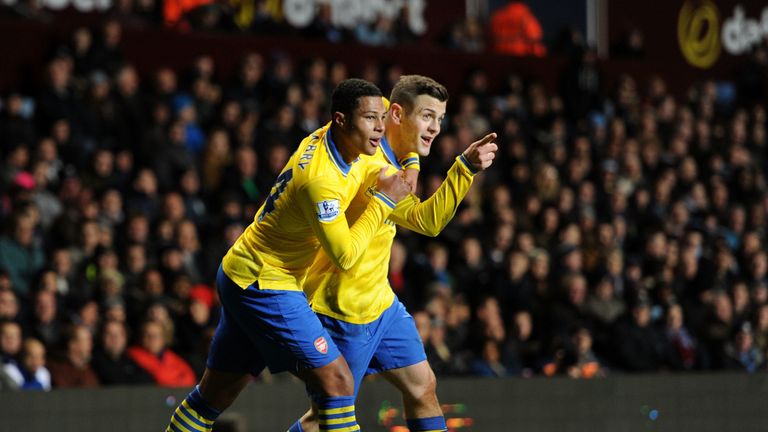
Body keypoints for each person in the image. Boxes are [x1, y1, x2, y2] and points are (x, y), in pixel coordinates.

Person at [165, 78, 411, 432]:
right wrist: (383, 202)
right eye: (371, 119)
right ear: (341, 120)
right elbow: (344, 256)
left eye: (383, 117)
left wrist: (415, 148)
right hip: (266, 284)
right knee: (338, 382)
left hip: (240, 271)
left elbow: (390, 113)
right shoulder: (321, 180)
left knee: (211, 399)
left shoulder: (333, 135)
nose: (380, 127)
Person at [293, 75, 498, 432]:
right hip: (343, 311)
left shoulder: (389, 137)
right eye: (428, 116)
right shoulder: (371, 165)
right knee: (321, 422)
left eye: (440, 119)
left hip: (381, 304)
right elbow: (425, 220)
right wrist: (438, 167)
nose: (435, 128)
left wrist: (460, 167)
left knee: (423, 386)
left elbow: (426, 218)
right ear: (399, 115)